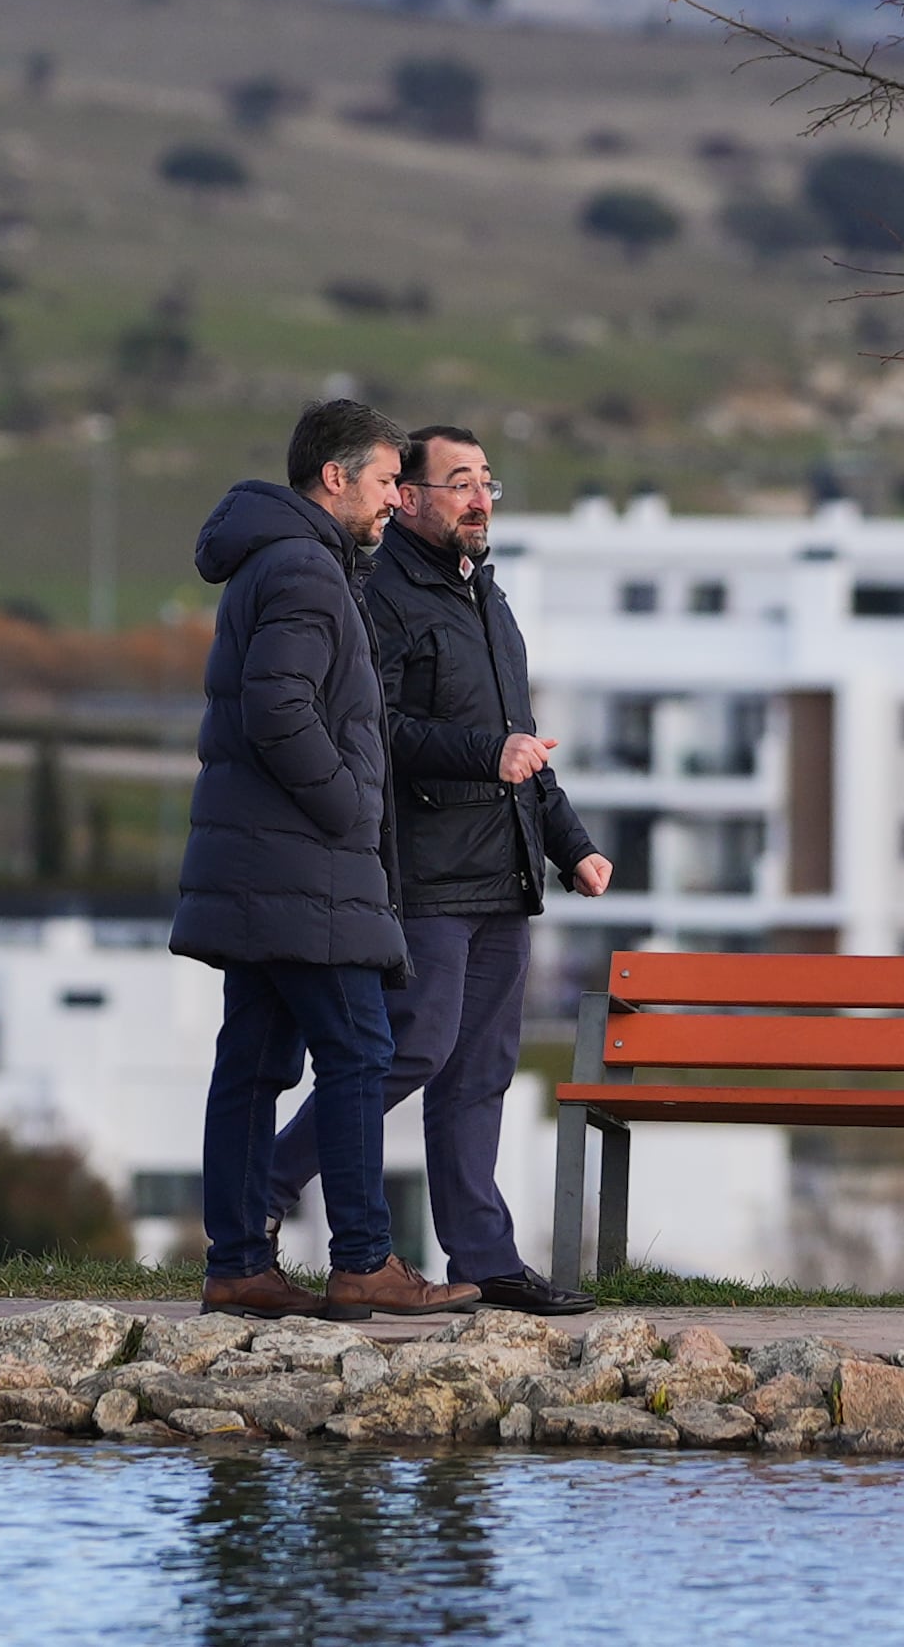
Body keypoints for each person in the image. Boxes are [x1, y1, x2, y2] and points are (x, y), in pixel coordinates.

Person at [263, 422, 611, 1314]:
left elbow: (521, 743)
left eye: (487, 482)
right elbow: (376, 731)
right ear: (406, 497)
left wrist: (570, 844)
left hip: (504, 874)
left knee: (481, 1072)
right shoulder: (380, 597)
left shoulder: (487, 600)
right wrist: (482, 753)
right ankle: (266, 1187)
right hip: (421, 872)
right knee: (411, 1048)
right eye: (459, 482)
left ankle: (485, 1261)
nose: (479, 498)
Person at [173, 398, 478, 1318]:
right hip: (304, 866)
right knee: (358, 1050)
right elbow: (278, 706)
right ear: (334, 479)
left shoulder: (279, 559)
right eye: (388, 480)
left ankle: (236, 1264)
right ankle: (364, 1259)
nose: (395, 499)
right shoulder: (308, 569)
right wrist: (350, 805)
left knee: (254, 1064)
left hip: (260, 865)